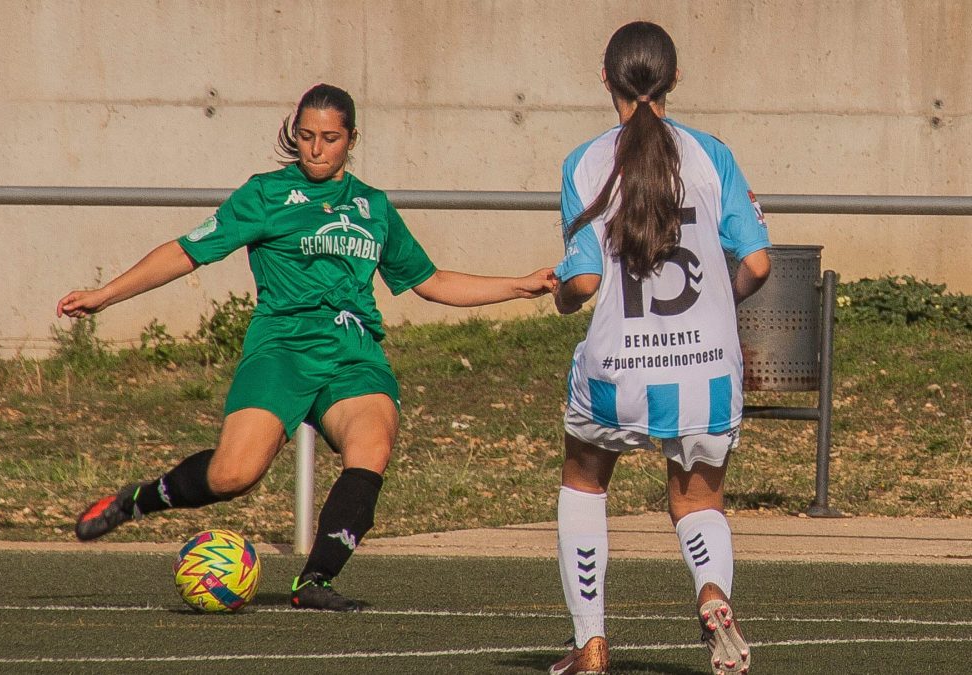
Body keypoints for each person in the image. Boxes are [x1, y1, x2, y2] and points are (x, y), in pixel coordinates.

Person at [57, 83, 554, 612]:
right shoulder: (266, 194)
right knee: (234, 475)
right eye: (306, 136)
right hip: (281, 350)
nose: (315, 149)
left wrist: (520, 285)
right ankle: (137, 500)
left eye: (330, 138)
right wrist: (104, 295)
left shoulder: (373, 207)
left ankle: (314, 580)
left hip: (353, 355)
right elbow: (186, 252)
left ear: (352, 139)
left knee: (372, 447)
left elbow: (432, 281)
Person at [548, 22, 771, 675]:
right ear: (673, 79)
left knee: (585, 481)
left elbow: (585, 280)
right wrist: (719, 307)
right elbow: (756, 262)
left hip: (620, 367)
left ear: (605, 78)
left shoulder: (586, 161)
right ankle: (712, 593)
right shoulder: (712, 155)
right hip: (707, 366)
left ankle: (591, 641)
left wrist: (561, 295)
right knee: (698, 501)